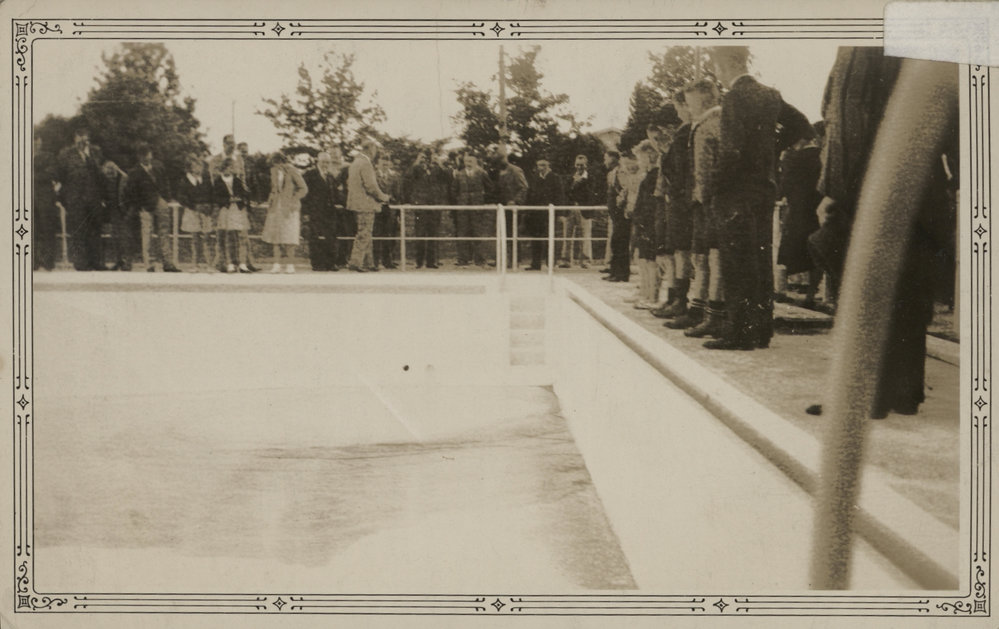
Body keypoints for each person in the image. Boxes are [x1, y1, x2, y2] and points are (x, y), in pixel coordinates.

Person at [807, 47, 956, 418]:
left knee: (869, 286)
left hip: (877, 181)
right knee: (902, 286)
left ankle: (865, 394)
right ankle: (901, 393)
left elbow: (850, 122)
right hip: (895, 180)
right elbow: (836, 122)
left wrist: (835, 191)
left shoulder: (865, 45)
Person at [706, 46, 813, 350]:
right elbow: (801, 124)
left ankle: (738, 333)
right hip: (764, 190)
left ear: (728, 63)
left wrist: (716, 185)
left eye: (717, 66)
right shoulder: (770, 95)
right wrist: (771, 149)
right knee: (759, 260)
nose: (717, 73)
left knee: (736, 262)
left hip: (736, 191)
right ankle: (761, 331)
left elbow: (731, 151)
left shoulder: (734, 97)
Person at [672, 78, 727, 337]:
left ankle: (714, 313)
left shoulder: (715, 122)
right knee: (701, 257)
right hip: (700, 201)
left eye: (691, 101)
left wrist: (705, 196)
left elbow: (712, 166)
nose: (688, 107)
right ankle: (698, 309)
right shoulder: (700, 124)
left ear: (705, 99)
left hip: (712, 201)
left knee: (714, 257)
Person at [654, 100, 695, 319]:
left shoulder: (686, 132)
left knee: (682, 251)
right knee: (676, 251)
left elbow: (678, 169)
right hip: (677, 200)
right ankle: (675, 298)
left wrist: (675, 192)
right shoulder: (684, 132)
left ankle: (680, 300)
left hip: (681, 200)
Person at [777, 129, 824, 306]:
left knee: (790, 251)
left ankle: (781, 291)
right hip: (816, 209)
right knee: (815, 255)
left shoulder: (793, 158)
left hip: (797, 211)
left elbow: (784, 186)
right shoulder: (821, 156)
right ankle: (810, 295)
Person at [55, 128, 106, 270]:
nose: (82, 141)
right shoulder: (66, 154)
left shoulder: (95, 152)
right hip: (75, 198)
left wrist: (88, 154)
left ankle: (96, 262)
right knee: (78, 230)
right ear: (74, 138)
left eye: (85, 137)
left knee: (95, 230)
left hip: (93, 197)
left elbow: (99, 174)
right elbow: (60, 176)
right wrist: (66, 198)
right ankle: (81, 263)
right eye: (79, 137)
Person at [124, 144, 180, 273]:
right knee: (147, 234)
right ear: (140, 157)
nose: (147, 158)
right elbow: (131, 192)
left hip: (160, 203)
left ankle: (168, 262)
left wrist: (165, 198)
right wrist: (140, 206)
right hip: (145, 206)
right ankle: (148, 263)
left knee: (164, 233)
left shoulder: (158, 167)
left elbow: (165, 183)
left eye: (149, 155)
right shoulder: (135, 172)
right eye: (144, 156)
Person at [346, 137, 391, 272]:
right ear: (371, 149)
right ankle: (356, 262)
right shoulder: (366, 163)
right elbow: (370, 186)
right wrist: (383, 197)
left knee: (365, 232)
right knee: (364, 233)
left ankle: (368, 262)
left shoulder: (355, 162)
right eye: (375, 149)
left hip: (356, 203)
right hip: (365, 204)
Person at [261, 152, 308, 273]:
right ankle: (276, 264)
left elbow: (303, 188)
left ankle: (290, 264)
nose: (275, 167)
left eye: (276, 164)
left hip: (290, 208)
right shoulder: (273, 171)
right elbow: (274, 188)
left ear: (281, 161)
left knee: (290, 236)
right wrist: (271, 196)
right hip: (276, 207)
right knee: (275, 236)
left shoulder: (292, 170)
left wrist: (293, 199)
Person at [631, 140, 663, 309]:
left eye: (640, 157)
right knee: (643, 260)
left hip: (650, 223)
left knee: (651, 261)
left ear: (649, 156)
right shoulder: (647, 177)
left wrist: (645, 222)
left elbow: (651, 204)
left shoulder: (654, 176)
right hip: (643, 223)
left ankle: (652, 297)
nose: (638, 161)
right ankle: (644, 293)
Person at [406, 151, 450, 269]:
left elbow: (448, 177)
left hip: (435, 206)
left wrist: (439, 163)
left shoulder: (438, 169)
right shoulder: (417, 169)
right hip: (421, 206)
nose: (427, 160)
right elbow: (408, 176)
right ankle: (419, 262)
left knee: (433, 234)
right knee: (420, 234)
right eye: (425, 158)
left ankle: (432, 262)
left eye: (429, 158)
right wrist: (417, 161)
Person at [302, 151, 343, 272]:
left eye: (327, 162)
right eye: (323, 162)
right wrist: (305, 213)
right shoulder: (309, 175)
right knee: (315, 238)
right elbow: (304, 196)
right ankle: (317, 263)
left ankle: (330, 263)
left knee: (331, 237)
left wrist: (344, 203)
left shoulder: (330, 176)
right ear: (318, 162)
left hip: (329, 212)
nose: (325, 164)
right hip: (314, 212)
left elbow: (335, 194)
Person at [451, 153, 492, 266]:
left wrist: (482, 200)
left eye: (471, 162)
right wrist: (460, 199)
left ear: (475, 163)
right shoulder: (459, 174)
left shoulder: (481, 173)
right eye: (466, 162)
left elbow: (490, 188)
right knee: (462, 233)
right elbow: (454, 190)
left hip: (477, 207)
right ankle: (463, 259)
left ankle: (480, 260)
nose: (468, 164)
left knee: (477, 233)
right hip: (463, 208)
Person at [213, 158, 252, 273]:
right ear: (223, 168)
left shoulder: (237, 181)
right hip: (226, 209)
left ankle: (242, 263)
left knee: (242, 237)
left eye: (231, 167)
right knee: (228, 237)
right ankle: (230, 263)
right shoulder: (218, 181)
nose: (230, 169)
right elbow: (216, 197)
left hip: (238, 210)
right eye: (228, 167)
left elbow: (245, 194)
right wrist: (228, 200)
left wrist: (241, 198)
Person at [176, 155, 214, 272]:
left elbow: (211, 194)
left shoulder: (206, 180)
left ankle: (209, 265)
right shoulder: (185, 181)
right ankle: (195, 265)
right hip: (192, 211)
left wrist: (208, 207)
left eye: (200, 166)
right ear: (190, 168)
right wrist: (194, 206)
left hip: (205, 212)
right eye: (196, 166)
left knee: (207, 238)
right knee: (195, 239)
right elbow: (181, 197)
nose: (199, 168)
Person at [525, 156, 564, 271]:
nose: (541, 168)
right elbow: (530, 195)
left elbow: (560, 196)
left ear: (548, 166)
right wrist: (527, 211)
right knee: (536, 239)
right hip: (536, 214)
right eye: (539, 165)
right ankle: (535, 264)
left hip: (549, 214)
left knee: (549, 238)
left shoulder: (555, 178)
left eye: (543, 165)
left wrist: (559, 213)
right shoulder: (534, 178)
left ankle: (550, 263)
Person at [560, 154, 595, 268]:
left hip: (584, 209)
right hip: (570, 208)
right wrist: (574, 183)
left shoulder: (590, 178)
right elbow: (565, 192)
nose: (579, 167)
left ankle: (585, 260)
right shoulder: (570, 178)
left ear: (586, 165)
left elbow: (592, 194)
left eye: (582, 165)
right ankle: (566, 260)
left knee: (585, 235)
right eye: (577, 165)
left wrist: (582, 182)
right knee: (567, 235)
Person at [496, 153, 529, 267]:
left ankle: (515, 260)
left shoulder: (515, 170)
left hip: (513, 207)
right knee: (504, 233)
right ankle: (505, 258)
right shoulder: (499, 172)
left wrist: (515, 201)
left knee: (513, 233)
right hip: (502, 207)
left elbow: (524, 187)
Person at [600, 150, 628, 281]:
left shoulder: (621, 171)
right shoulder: (611, 173)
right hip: (614, 213)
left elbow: (624, 188)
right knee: (615, 242)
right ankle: (615, 272)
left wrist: (619, 203)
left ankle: (621, 274)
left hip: (620, 213)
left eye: (606, 158)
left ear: (612, 159)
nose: (604, 161)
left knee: (619, 242)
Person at [33, 137, 60, 271]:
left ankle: (48, 261)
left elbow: (52, 173)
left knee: (48, 230)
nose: (36, 144)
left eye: (38, 142)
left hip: (45, 199)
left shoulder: (49, 157)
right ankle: (33, 261)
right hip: (29, 199)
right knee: (31, 230)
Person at [102, 160, 133, 271]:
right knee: (115, 237)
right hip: (113, 211)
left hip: (124, 211)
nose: (110, 177)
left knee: (125, 237)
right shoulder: (106, 180)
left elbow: (131, 196)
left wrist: (128, 212)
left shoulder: (124, 179)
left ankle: (127, 262)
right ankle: (119, 261)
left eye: (111, 174)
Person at [373, 156, 403, 269]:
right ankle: (375, 261)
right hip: (377, 208)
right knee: (376, 234)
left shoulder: (394, 176)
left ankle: (388, 260)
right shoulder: (373, 175)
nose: (384, 166)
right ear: (378, 164)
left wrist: (392, 201)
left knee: (389, 234)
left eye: (386, 164)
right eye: (382, 164)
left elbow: (398, 194)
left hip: (390, 209)